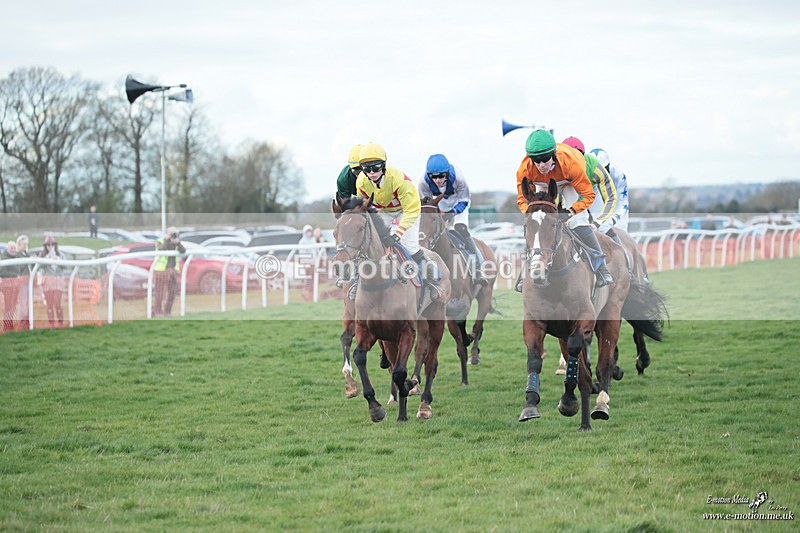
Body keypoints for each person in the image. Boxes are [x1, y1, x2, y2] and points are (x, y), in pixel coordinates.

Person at [515, 129, 614, 290]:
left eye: (544, 160)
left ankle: (600, 266)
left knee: (577, 221)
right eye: (536, 161)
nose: (541, 165)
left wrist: (570, 212)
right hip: (542, 184)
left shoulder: (571, 163)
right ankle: (523, 275)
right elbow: (522, 199)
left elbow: (588, 195)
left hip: (569, 182)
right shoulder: (525, 169)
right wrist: (535, 214)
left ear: (553, 154)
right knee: (538, 227)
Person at [355, 141, 442, 299]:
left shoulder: (399, 180)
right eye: (367, 169)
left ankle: (432, 278)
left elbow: (412, 210)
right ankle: (356, 282)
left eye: (376, 167)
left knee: (409, 245)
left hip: (407, 210)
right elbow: (364, 207)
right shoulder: (361, 182)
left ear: (383, 165)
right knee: (369, 243)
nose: (372, 172)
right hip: (383, 211)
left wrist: (398, 233)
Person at [418, 154, 488, 286]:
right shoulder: (423, 182)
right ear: (429, 175)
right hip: (439, 203)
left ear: (447, 173)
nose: (438, 180)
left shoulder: (458, 177)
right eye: (434, 177)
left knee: (460, 228)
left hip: (459, 200)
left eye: (441, 176)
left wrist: (453, 212)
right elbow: (427, 205)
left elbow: (464, 200)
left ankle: (477, 267)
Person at [561, 138, 624, 245]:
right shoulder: (556, 167)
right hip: (568, 190)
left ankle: (620, 252)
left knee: (604, 226)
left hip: (590, 191)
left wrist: (598, 223)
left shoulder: (595, 168)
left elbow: (611, 198)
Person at [589, 147, 630, 234]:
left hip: (616, 215)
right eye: (597, 171)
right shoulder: (587, 176)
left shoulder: (619, 175)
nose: (601, 174)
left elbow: (623, 204)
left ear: (608, 165)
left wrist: (612, 221)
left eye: (604, 169)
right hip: (598, 216)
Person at [152, 226, 186, 317]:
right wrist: (167, 240)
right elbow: (161, 249)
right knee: (159, 293)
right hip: (161, 270)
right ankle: (157, 311)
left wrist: (178, 243)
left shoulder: (176, 243)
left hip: (172, 271)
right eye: (172, 234)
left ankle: (167, 312)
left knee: (172, 292)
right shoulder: (160, 241)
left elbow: (183, 251)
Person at [39, 236, 66, 329]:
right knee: (49, 304)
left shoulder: (61, 255)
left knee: (57, 303)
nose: (50, 246)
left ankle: (60, 322)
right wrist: (48, 258)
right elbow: (40, 266)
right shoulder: (42, 255)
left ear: (55, 245)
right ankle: (51, 324)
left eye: (52, 244)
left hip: (59, 282)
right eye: (48, 245)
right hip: (48, 283)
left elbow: (65, 266)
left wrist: (57, 259)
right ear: (45, 246)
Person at [1, 241, 22, 332]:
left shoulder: (16, 258)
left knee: (13, 306)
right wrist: (14, 275)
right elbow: (2, 272)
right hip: (7, 286)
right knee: (9, 306)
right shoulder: (3, 259)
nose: (13, 250)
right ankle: (6, 326)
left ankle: (9, 325)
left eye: (14, 248)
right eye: (11, 248)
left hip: (15, 286)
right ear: (7, 249)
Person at [16, 235, 31, 330]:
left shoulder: (27, 254)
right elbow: (20, 267)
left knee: (28, 303)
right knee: (22, 303)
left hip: (29, 281)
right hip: (22, 281)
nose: (25, 245)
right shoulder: (18, 255)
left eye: (26, 244)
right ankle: (21, 323)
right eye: (23, 244)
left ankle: (27, 321)